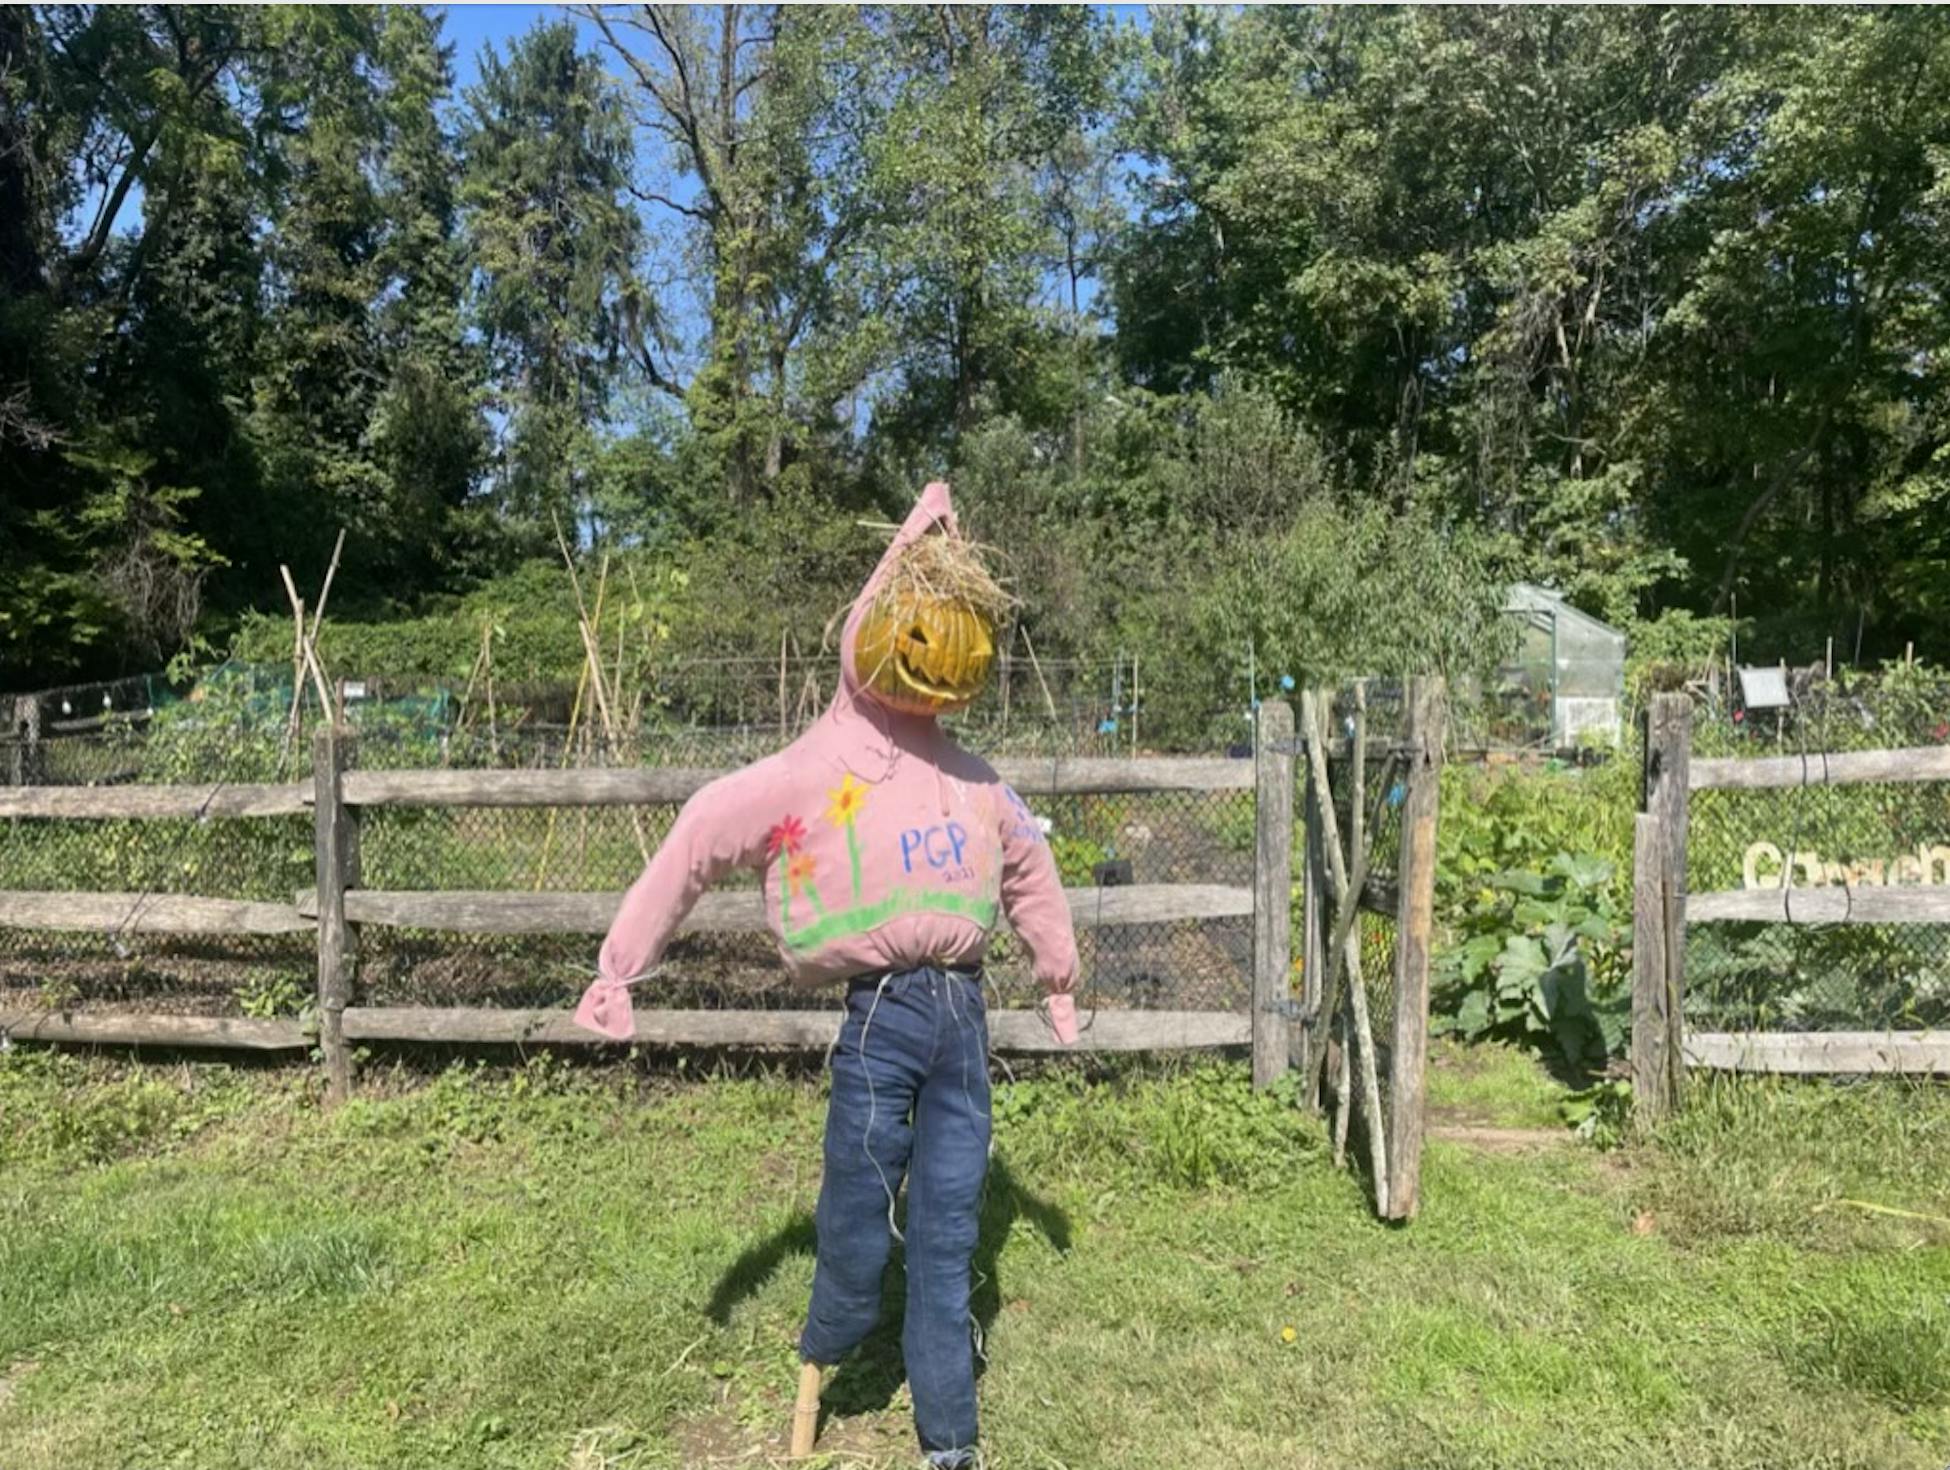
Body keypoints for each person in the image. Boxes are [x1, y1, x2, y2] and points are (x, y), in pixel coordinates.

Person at [574, 481, 1080, 1469]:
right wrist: (623, 967)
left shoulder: (974, 780)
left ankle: (949, 1437)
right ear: (877, 629)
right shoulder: (814, 768)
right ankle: (830, 1343)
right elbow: (700, 839)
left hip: (962, 1022)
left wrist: (1055, 973)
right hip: (881, 1012)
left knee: (949, 1231)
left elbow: (1031, 866)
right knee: (856, 1211)